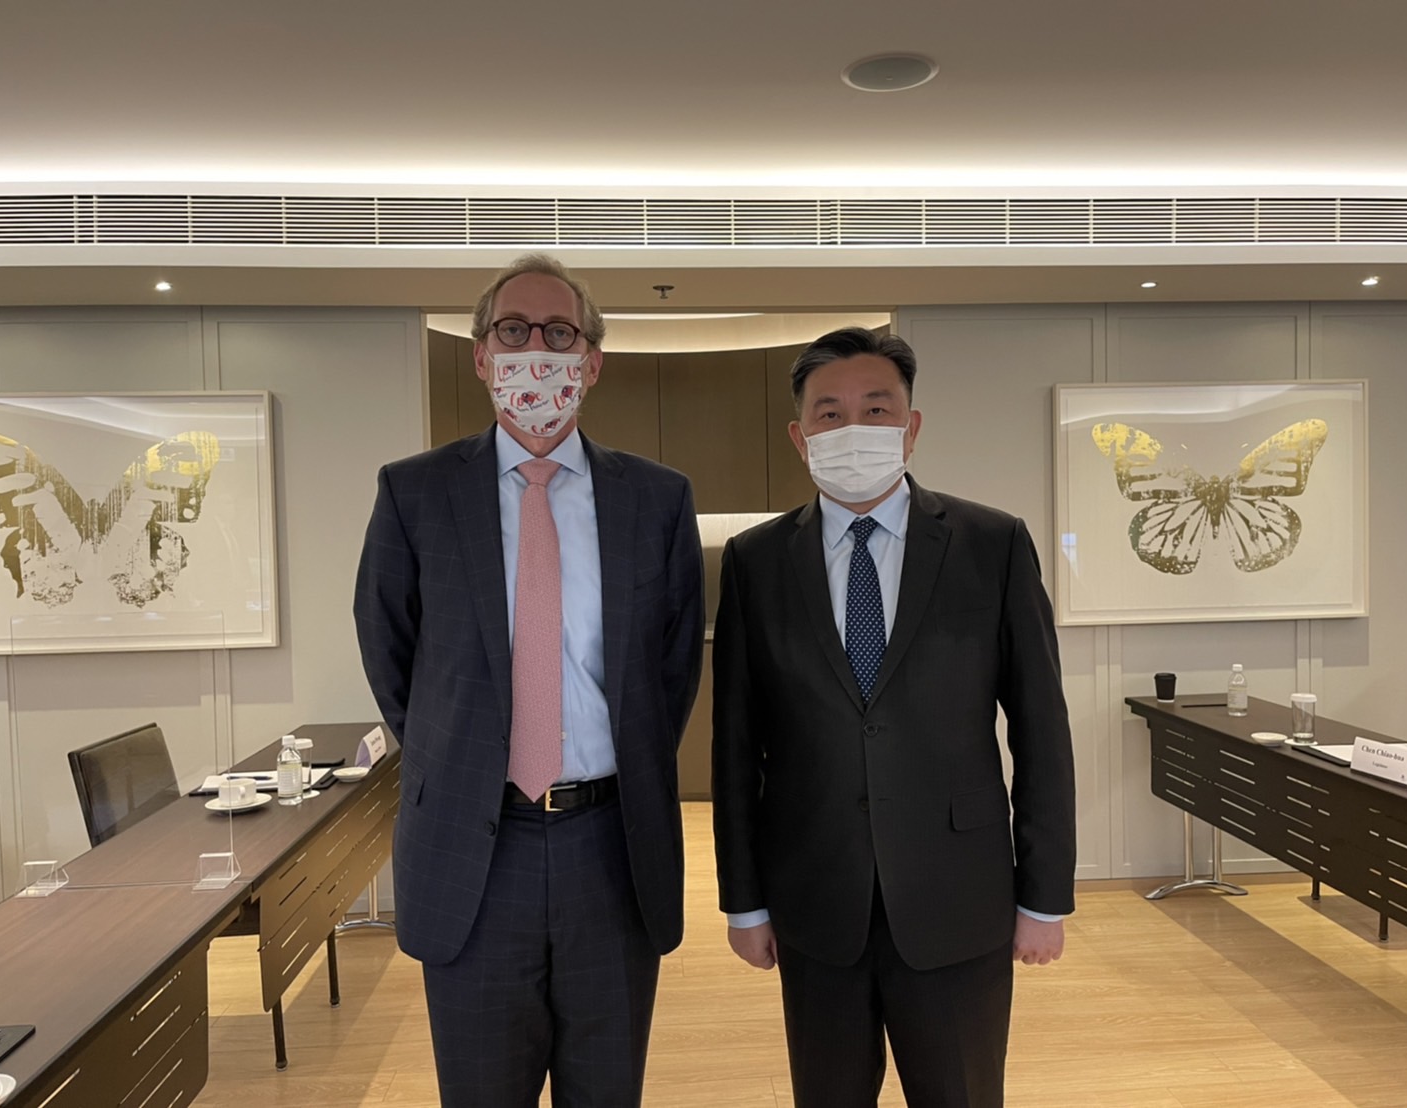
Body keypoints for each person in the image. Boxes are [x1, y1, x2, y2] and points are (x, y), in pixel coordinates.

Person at [354, 253, 704, 1107]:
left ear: (592, 362)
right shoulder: (415, 493)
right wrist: (460, 756)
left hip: (611, 850)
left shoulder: (656, 499)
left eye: (559, 333)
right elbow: (390, 649)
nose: (536, 350)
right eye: (514, 331)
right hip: (475, 853)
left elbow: (671, 669)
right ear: (481, 356)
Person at [711, 327, 1075, 1108]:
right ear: (800, 436)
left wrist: (1044, 895)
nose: (854, 429)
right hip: (815, 903)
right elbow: (736, 749)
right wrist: (744, 900)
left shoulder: (993, 545)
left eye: (876, 410)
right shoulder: (755, 562)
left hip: (959, 898)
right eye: (830, 413)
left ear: (910, 427)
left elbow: (1042, 728)